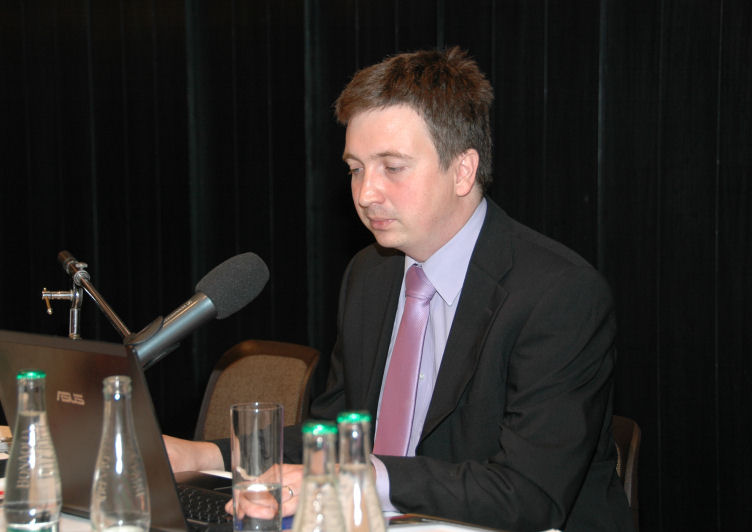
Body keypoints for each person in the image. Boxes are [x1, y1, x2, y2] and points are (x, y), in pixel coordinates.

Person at [165, 47, 633, 531]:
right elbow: (336, 434)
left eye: (392, 167)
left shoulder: (558, 294)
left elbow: (529, 495)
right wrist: (202, 454)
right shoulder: (370, 274)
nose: (366, 194)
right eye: (355, 168)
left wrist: (361, 479)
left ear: (463, 170)